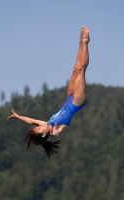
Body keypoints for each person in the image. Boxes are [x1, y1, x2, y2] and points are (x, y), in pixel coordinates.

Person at [8, 26, 90, 157]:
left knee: (76, 68)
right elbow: (63, 130)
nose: (39, 126)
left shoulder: (47, 123)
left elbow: (30, 120)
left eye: (38, 127)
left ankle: (81, 40)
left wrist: (18, 117)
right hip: (76, 102)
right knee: (81, 70)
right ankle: (85, 41)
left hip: (69, 98)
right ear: (44, 134)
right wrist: (58, 132)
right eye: (39, 129)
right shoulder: (54, 130)